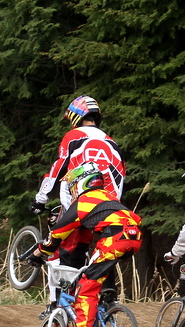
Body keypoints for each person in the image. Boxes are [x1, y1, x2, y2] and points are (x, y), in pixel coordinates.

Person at [26, 162, 143, 327]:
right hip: (134, 237)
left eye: (72, 186)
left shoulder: (83, 202)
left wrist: (39, 253)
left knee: (85, 286)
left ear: (80, 183)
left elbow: (57, 234)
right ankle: (108, 299)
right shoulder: (108, 197)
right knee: (101, 265)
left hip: (114, 238)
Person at [29, 95, 126, 269]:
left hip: (79, 199)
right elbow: (120, 174)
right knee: (97, 250)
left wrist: (41, 198)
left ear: (76, 115)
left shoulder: (73, 135)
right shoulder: (112, 143)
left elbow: (57, 169)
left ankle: (64, 292)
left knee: (65, 242)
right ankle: (101, 292)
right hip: (108, 203)